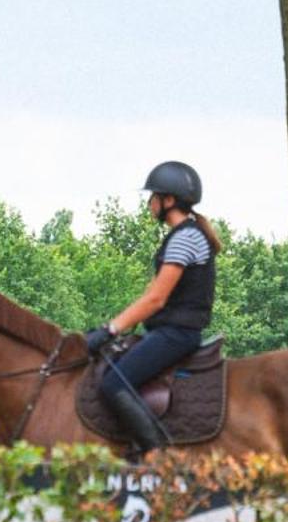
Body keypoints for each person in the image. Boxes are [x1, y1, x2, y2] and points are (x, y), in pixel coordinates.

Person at [83, 160, 220, 453]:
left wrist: (108, 331)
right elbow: (151, 296)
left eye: (153, 197)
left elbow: (156, 299)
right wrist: (116, 326)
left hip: (177, 334)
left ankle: (158, 455)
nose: (149, 203)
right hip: (170, 330)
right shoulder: (186, 235)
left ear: (168, 200)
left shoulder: (185, 238)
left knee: (113, 384)